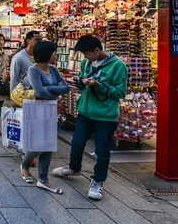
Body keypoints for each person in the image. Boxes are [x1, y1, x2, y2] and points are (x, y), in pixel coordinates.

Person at [52, 35, 127, 201]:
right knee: (77, 143)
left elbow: (121, 92)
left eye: (87, 53)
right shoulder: (86, 63)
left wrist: (99, 85)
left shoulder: (118, 66)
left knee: (102, 151)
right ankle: (74, 168)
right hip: (85, 112)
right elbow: (83, 86)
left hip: (106, 116)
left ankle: (97, 181)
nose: (85, 57)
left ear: (97, 50)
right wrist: (79, 82)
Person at [21, 41, 69, 194]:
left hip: (50, 109)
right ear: (47, 53)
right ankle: (25, 165)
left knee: (48, 144)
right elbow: (39, 92)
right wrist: (55, 91)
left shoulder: (53, 69)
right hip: (36, 109)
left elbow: (66, 87)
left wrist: (50, 89)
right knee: (36, 145)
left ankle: (43, 179)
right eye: (54, 52)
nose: (55, 55)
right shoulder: (33, 70)